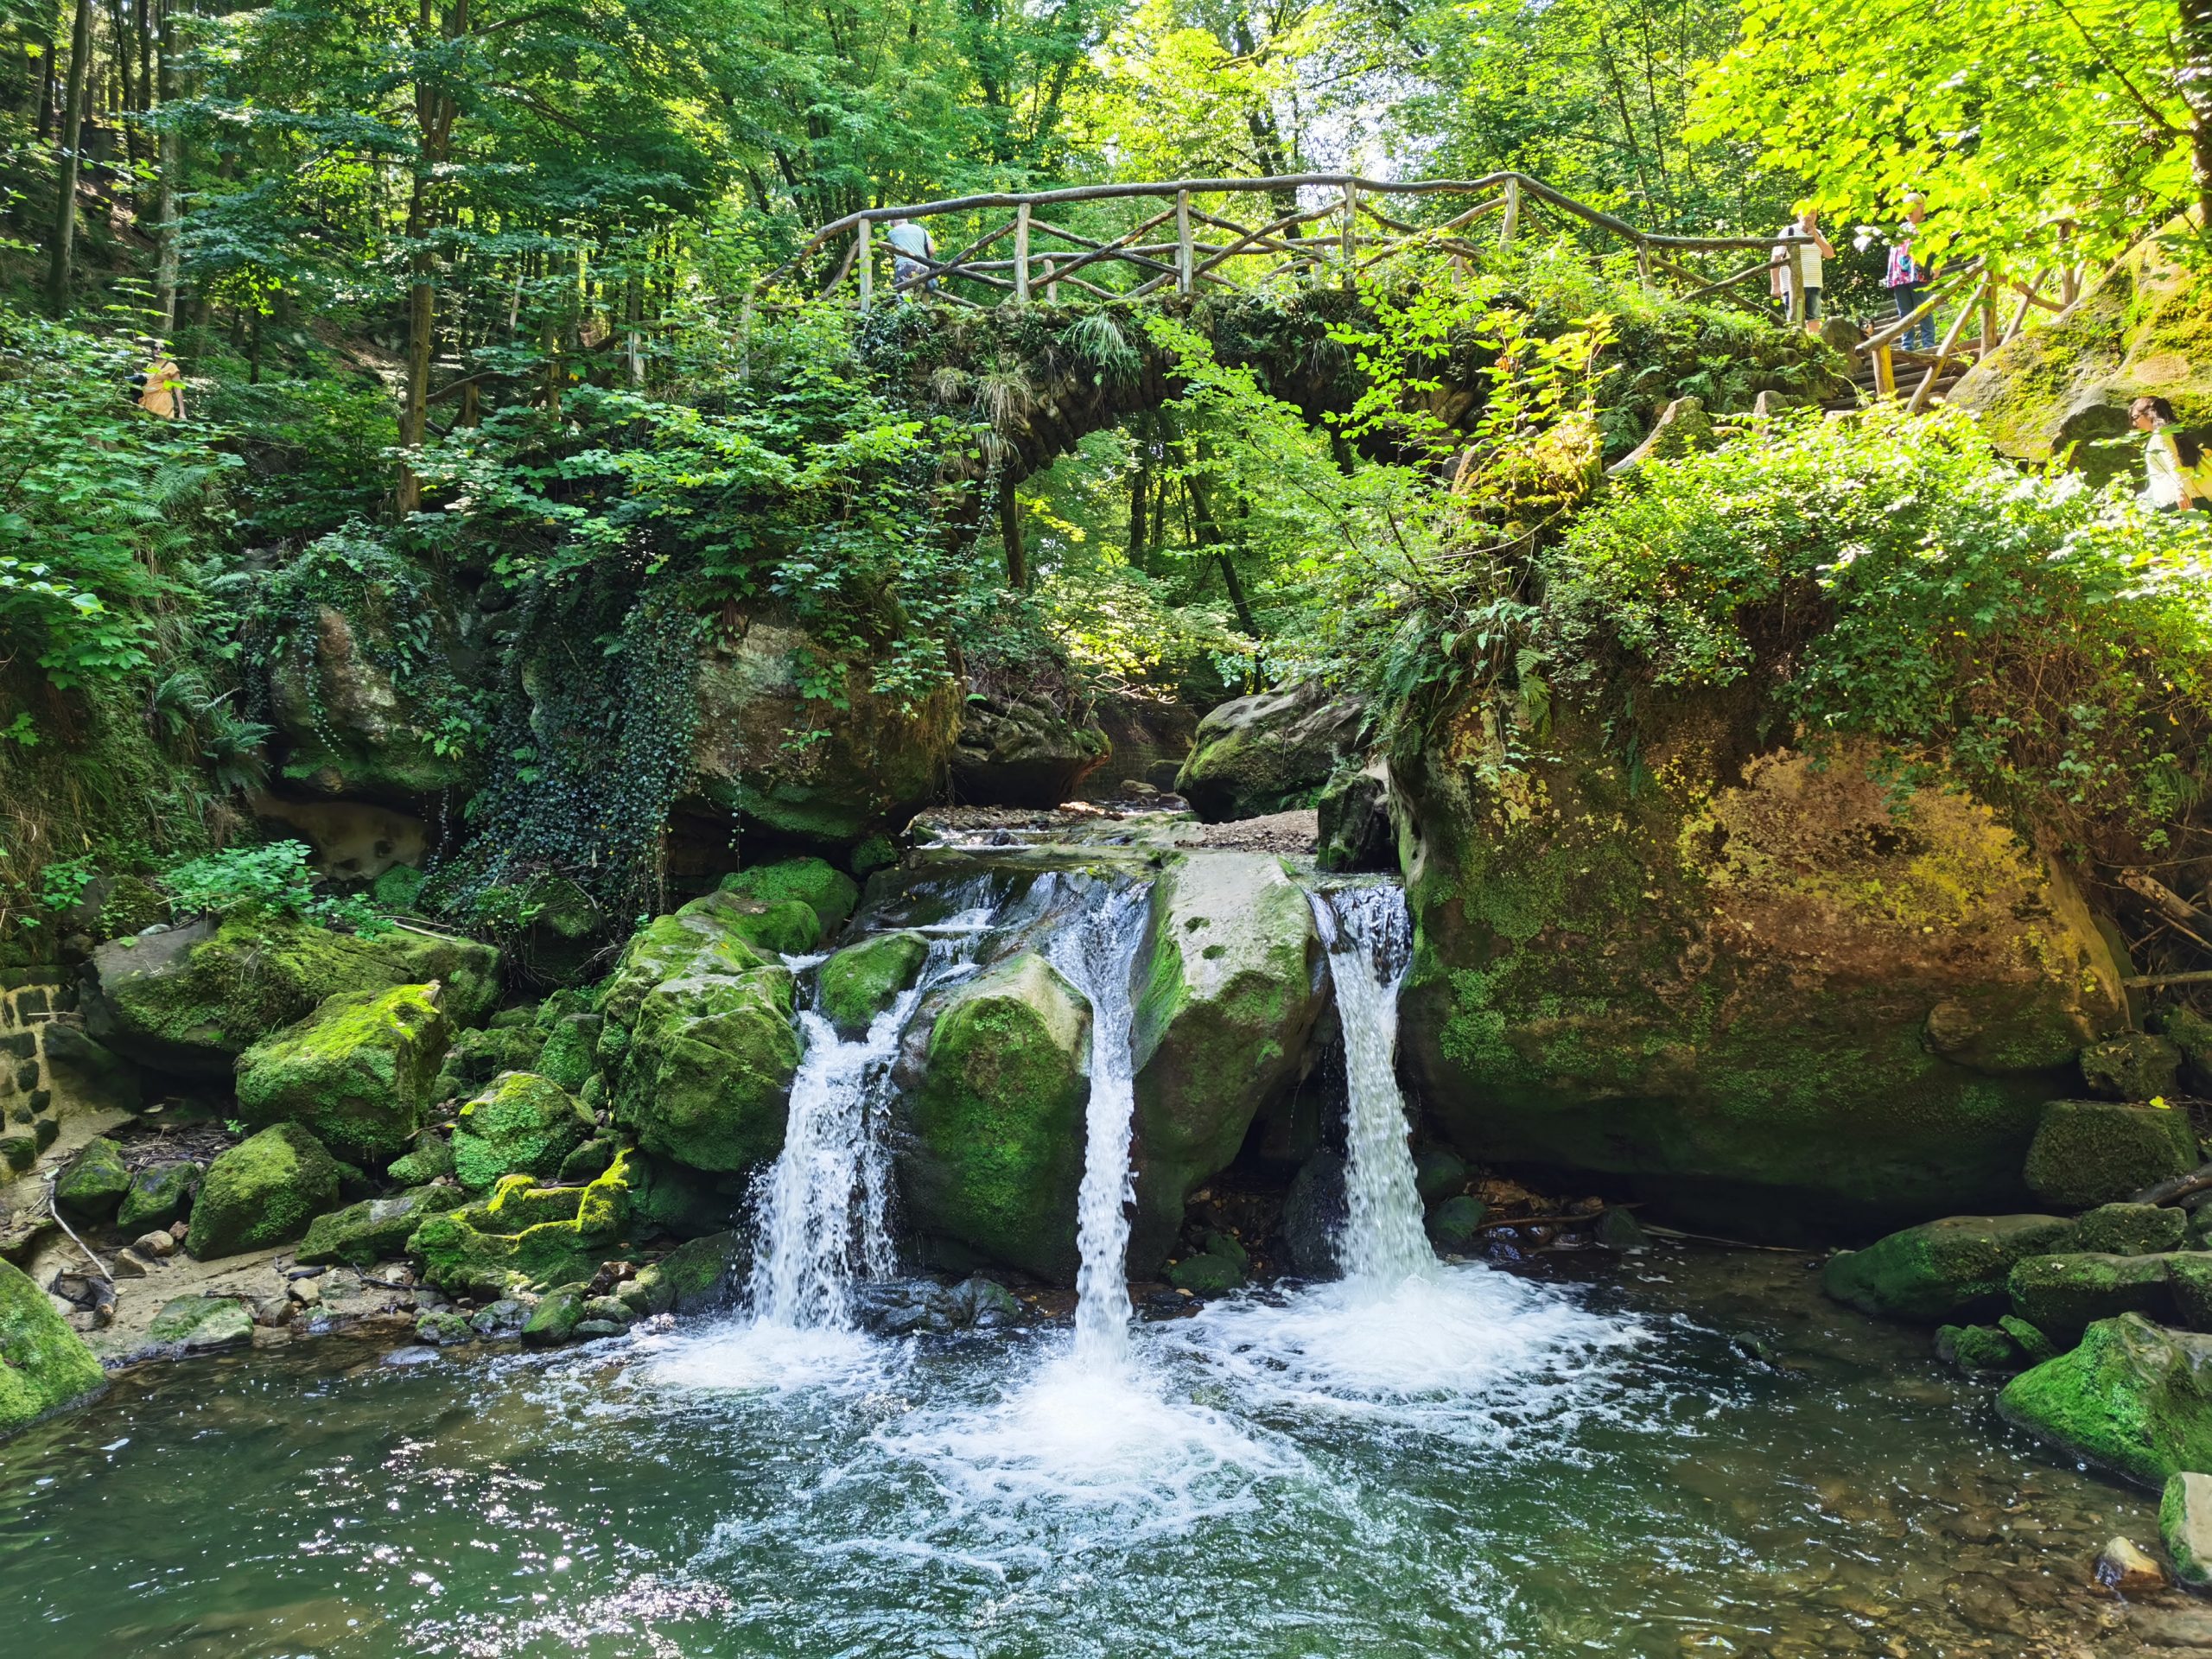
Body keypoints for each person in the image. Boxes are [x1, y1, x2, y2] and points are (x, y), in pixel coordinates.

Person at [1885, 195, 1937, 353]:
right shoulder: (1902, 228)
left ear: (1922, 207)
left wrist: (1937, 265)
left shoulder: (1929, 226)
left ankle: (1929, 345)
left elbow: (1937, 248)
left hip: (1919, 273)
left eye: (1911, 208)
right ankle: (1907, 346)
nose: (1908, 212)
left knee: (1923, 309)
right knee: (1904, 312)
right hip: (1900, 275)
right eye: (1905, 208)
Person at [1770, 207, 1834, 334]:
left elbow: (1829, 254)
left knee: (1814, 322)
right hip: (1792, 286)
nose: (1809, 216)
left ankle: (1814, 351)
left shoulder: (1819, 233)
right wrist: (1775, 285)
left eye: (1813, 213)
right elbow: (1775, 259)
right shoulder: (1789, 231)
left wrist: (1815, 236)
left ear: (1816, 216)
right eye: (1806, 213)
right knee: (1795, 322)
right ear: (1799, 215)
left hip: (1814, 284)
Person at [2134, 396, 2203, 512]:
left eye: (2136, 417)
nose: (2134, 423)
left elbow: (2173, 463)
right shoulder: (2172, 431)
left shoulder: (2161, 435)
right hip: (2186, 496)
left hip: (2178, 500)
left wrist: (2179, 491)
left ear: (2149, 414)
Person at [884, 216, 937, 299]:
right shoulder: (922, 230)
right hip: (923, 269)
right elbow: (932, 250)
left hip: (905, 267)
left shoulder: (892, 232)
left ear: (893, 222)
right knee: (916, 302)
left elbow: (893, 250)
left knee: (904, 300)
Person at [134, 345, 184, 418]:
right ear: (153, 350)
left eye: (161, 348)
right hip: (147, 401)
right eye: (156, 348)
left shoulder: (171, 366)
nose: (158, 350)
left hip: (162, 400)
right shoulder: (150, 365)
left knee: (159, 425)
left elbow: (178, 389)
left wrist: (182, 413)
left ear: (165, 351)